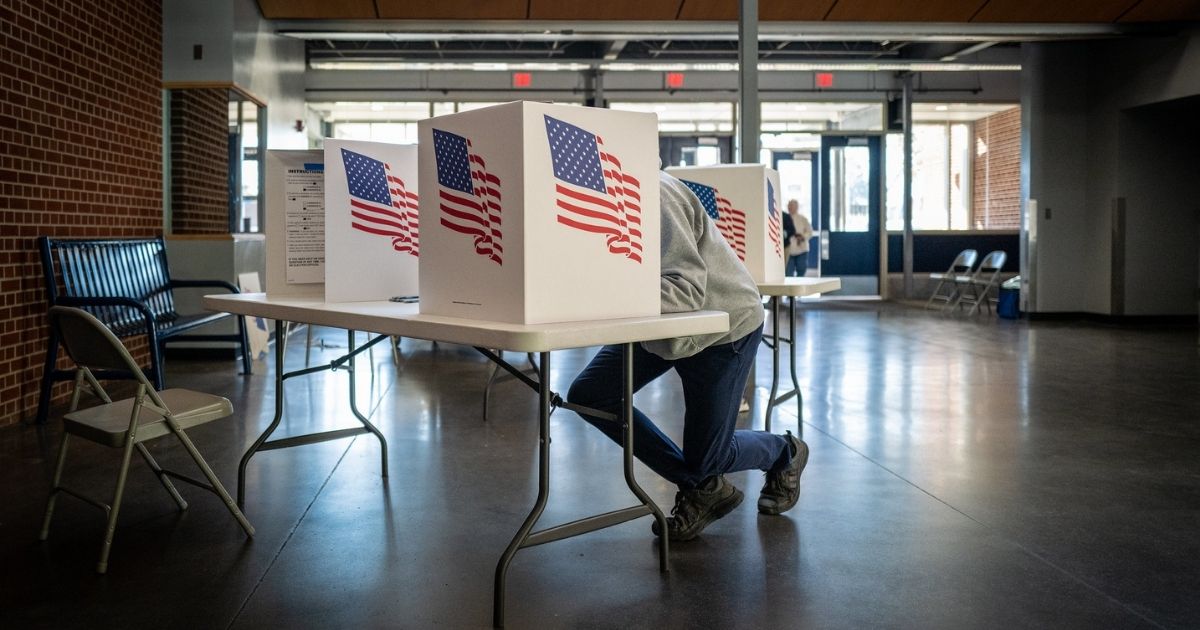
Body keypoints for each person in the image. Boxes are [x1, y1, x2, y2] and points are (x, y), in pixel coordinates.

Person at [567, 172, 810, 542]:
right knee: (590, 395)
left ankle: (783, 452)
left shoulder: (656, 194)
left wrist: (603, 294)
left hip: (722, 328)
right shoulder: (594, 200)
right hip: (660, 329)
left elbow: (685, 292)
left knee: (708, 458)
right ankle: (703, 488)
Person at [783, 199, 813, 277]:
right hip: (789, 249)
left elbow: (810, 232)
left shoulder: (803, 219)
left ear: (797, 207)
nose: (790, 207)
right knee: (788, 272)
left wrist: (803, 237)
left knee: (801, 269)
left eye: (792, 206)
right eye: (789, 205)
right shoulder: (784, 218)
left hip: (801, 249)